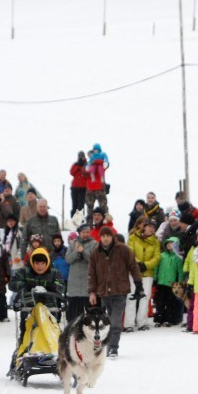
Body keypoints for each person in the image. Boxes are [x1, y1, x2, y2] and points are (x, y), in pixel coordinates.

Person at [87, 225, 143, 358]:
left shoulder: (123, 250)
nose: (105, 239)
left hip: (120, 291)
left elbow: (133, 267)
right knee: (106, 322)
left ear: (112, 236)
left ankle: (113, 348)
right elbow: (91, 274)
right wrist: (92, 292)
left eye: (108, 236)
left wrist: (138, 284)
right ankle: (105, 346)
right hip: (104, 292)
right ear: (100, 237)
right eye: (103, 236)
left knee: (116, 321)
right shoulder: (95, 253)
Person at [8, 247, 65, 341]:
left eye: (43, 263)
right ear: (32, 263)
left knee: (50, 336)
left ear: (47, 263)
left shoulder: (54, 272)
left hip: (50, 310)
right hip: (28, 309)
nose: (40, 267)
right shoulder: (25, 271)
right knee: (27, 335)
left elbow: (61, 285)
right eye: (37, 263)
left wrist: (51, 287)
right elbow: (12, 284)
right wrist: (26, 285)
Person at [65, 223, 97, 324]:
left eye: (88, 232)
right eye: (84, 232)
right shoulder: (72, 243)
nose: (86, 234)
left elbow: (94, 259)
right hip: (74, 283)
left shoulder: (94, 244)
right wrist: (76, 252)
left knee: (87, 311)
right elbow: (68, 259)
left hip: (87, 281)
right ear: (79, 233)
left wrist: (83, 252)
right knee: (72, 313)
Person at [85, 143, 109, 214]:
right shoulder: (88, 164)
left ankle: (104, 223)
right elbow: (85, 172)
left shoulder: (101, 163)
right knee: (90, 209)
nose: (92, 155)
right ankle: (89, 225)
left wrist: (100, 161)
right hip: (90, 189)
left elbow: (106, 165)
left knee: (103, 208)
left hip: (100, 188)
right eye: (90, 154)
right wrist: (91, 164)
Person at [69, 151, 88, 219]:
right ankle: (73, 220)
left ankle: (80, 221)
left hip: (83, 189)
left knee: (81, 206)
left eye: (82, 156)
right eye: (79, 156)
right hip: (74, 188)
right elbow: (71, 172)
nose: (80, 157)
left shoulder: (87, 164)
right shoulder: (75, 164)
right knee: (74, 205)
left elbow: (86, 174)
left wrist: (81, 166)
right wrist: (78, 166)